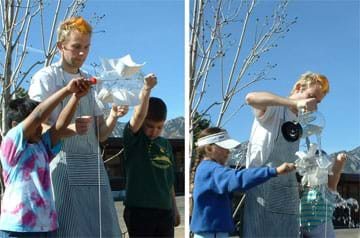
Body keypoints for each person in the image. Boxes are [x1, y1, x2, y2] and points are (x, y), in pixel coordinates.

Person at [28, 16, 128, 237]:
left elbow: (101, 135)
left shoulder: (90, 81)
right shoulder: (46, 78)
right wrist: (67, 128)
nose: (82, 53)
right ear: (60, 46)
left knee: (102, 229)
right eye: (76, 47)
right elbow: (35, 126)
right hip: (60, 164)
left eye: (86, 47)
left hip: (93, 166)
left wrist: (113, 114)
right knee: (69, 229)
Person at [242, 72, 330, 237]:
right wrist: (295, 102)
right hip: (262, 186)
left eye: (317, 102)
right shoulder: (274, 109)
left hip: (287, 190)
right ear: (298, 87)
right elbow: (250, 98)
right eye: (311, 97)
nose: (313, 104)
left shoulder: (302, 122)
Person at [0, 78, 90, 237]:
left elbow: (60, 127)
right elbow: (38, 115)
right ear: (15, 125)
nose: (40, 127)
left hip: (47, 227)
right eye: (35, 124)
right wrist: (66, 91)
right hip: (17, 227)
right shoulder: (11, 144)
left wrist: (76, 97)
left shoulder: (42, 146)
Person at [189, 127, 296, 238]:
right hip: (212, 234)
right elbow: (238, 178)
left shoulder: (206, 169)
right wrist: (275, 171)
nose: (228, 151)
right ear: (209, 149)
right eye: (224, 147)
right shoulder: (212, 170)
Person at [122, 74, 181, 237]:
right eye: (149, 126)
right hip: (139, 211)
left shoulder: (166, 144)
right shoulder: (134, 140)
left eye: (159, 127)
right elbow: (138, 116)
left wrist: (174, 208)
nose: (154, 131)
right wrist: (146, 89)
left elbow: (168, 181)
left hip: (165, 211)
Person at [300, 153, 347, 238]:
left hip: (323, 228)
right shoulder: (305, 188)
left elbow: (336, 173)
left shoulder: (328, 187)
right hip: (304, 228)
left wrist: (339, 161)